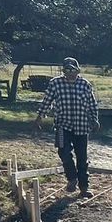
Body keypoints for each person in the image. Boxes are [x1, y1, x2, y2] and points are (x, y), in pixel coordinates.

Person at [35, 57, 99, 197]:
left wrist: (95, 119)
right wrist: (40, 117)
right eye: (67, 70)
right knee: (63, 152)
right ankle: (72, 178)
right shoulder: (55, 83)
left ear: (78, 70)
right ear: (63, 71)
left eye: (73, 70)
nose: (70, 73)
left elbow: (92, 104)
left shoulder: (85, 84)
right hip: (63, 125)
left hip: (81, 126)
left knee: (82, 157)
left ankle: (84, 187)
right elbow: (47, 101)